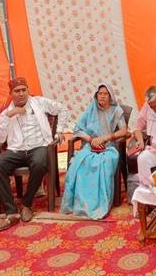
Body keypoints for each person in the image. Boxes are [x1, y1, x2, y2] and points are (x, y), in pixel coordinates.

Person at [0, 77, 68, 231]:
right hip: (16, 150)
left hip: (38, 146)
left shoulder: (39, 102)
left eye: (23, 90)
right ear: (11, 93)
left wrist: (59, 130)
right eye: (17, 91)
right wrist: (9, 115)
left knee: (40, 164)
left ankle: (26, 204)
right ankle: (11, 212)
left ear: (28, 90)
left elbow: (62, 109)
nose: (21, 93)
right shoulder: (7, 113)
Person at [60, 84, 127, 219]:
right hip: (90, 146)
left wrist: (105, 138)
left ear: (110, 96)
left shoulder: (116, 110)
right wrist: (91, 140)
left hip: (109, 147)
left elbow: (124, 131)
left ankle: (98, 205)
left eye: (105, 94)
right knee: (80, 163)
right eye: (99, 93)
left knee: (104, 163)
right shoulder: (92, 108)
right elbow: (78, 129)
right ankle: (82, 204)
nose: (102, 96)